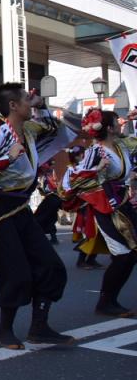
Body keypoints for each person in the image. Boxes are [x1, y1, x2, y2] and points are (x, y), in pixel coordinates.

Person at [0, 83, 75, 350]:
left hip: (21, 210)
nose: (30, 102)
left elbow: (55, 130)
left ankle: (39, 327)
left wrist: (42, 106)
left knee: (50, 266)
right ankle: (5, 331)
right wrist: (5, 159)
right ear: (13, 105)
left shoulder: (29, 131)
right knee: (16, 273)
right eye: (27, 99)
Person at [70, 108, 137, 318]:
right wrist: (97, 169)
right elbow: (75, 179)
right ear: (109, 128)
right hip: (106, 208)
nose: (121, 123)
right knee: (123, 256)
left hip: (124, 206)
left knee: (132, 255)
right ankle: (105, 302)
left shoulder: (121, 146)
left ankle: (110, 299)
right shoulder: (95, 152)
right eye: (117, 121)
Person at [32, 162, 62, 245]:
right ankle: (53, 238)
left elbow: (49, 189)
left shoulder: (49, 174)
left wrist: (39, 187)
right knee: (50, 218)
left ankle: (39, 238)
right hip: (54, 199)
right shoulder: (50, 174)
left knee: (40, 217)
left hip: (51, 198)